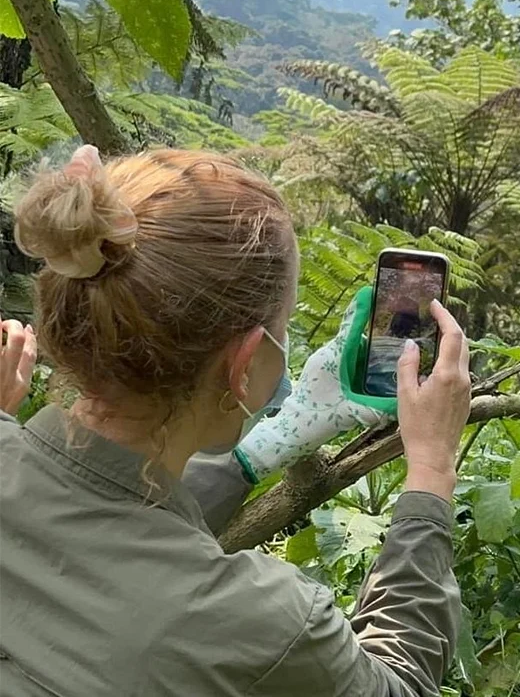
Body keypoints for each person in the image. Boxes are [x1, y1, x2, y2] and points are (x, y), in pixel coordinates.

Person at [0, 145, 472, 696]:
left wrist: (264, 448)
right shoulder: (268, 624)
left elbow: (113, 515)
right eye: (285, 326)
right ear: (244, 365)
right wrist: (432, 470)